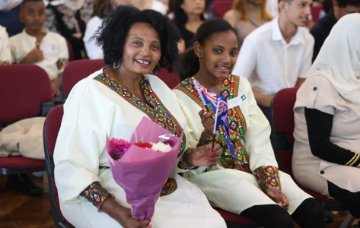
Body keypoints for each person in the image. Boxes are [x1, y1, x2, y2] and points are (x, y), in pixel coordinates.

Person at [54, 6, 227, 228]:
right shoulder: (89, 90)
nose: (146, 53)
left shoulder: (158, 86)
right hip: (108, 193)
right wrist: (118, 212)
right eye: (136, 43)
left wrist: (190, 157)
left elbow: (169, 155)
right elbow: (72, 167)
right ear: (119, 43)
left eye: (154, 46)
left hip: (168, 190)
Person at [174, 18, 324, 228]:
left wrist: (269, 182)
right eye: (218, 51)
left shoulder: (240, 85)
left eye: (233, 52)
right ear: (199, 49)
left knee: (313, 211)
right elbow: (184, 159)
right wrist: (207, 136)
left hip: (254, 169)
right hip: (216, 177)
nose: (227, 59)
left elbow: (258, 136)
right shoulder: (179, 97)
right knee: (279, 220)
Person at [293, 13, 360, 219]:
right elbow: (320, 146)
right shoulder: (319, 84)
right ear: (349, 44)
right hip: (321, 165)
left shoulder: (353, 78)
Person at [232, 0, 314, 150]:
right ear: (283, 5)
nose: (309, 12)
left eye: (310, 5)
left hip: (292, 102)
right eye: (302, 5)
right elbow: (236, 83)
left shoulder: (308, 39)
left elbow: (302, 80)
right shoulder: (257, 39)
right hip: (260, 104)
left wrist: (289, 102)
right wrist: (272, 101)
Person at [9, 0, 69, 97]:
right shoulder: (12, 42)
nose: (36, 18)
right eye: (30, 13)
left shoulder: (58, 40)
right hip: (24, 89)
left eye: (41, 13)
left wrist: (56, 85)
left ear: (46, 16)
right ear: (21, 17)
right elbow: (8, 74)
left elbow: (63, 67)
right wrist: (25, 61)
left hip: (54, 88)